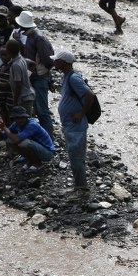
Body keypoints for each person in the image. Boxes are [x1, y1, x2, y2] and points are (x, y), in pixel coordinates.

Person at [53, 50, 95, 194]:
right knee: (74, 156)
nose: (54, 62)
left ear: (63, 62)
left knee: (76, 157)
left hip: (75, 125)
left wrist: (81, 112)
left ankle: (82, 187)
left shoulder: (73, 78)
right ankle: (79, 185)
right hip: (70, 125)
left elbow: (89, 94)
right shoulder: (67, 77)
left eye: (56, 60)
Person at [0, 106, 56, 172]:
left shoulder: (32, 124)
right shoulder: (16, 124)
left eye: (21, 117)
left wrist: (4, 127)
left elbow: (16, 139)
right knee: (9, 140)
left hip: (47, 153)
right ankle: (30, 161)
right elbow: (4, 137)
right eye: (17, 118)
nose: (19, 120)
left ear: (26, 117)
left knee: (24, 143)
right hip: (37, 149)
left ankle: (38, 164)